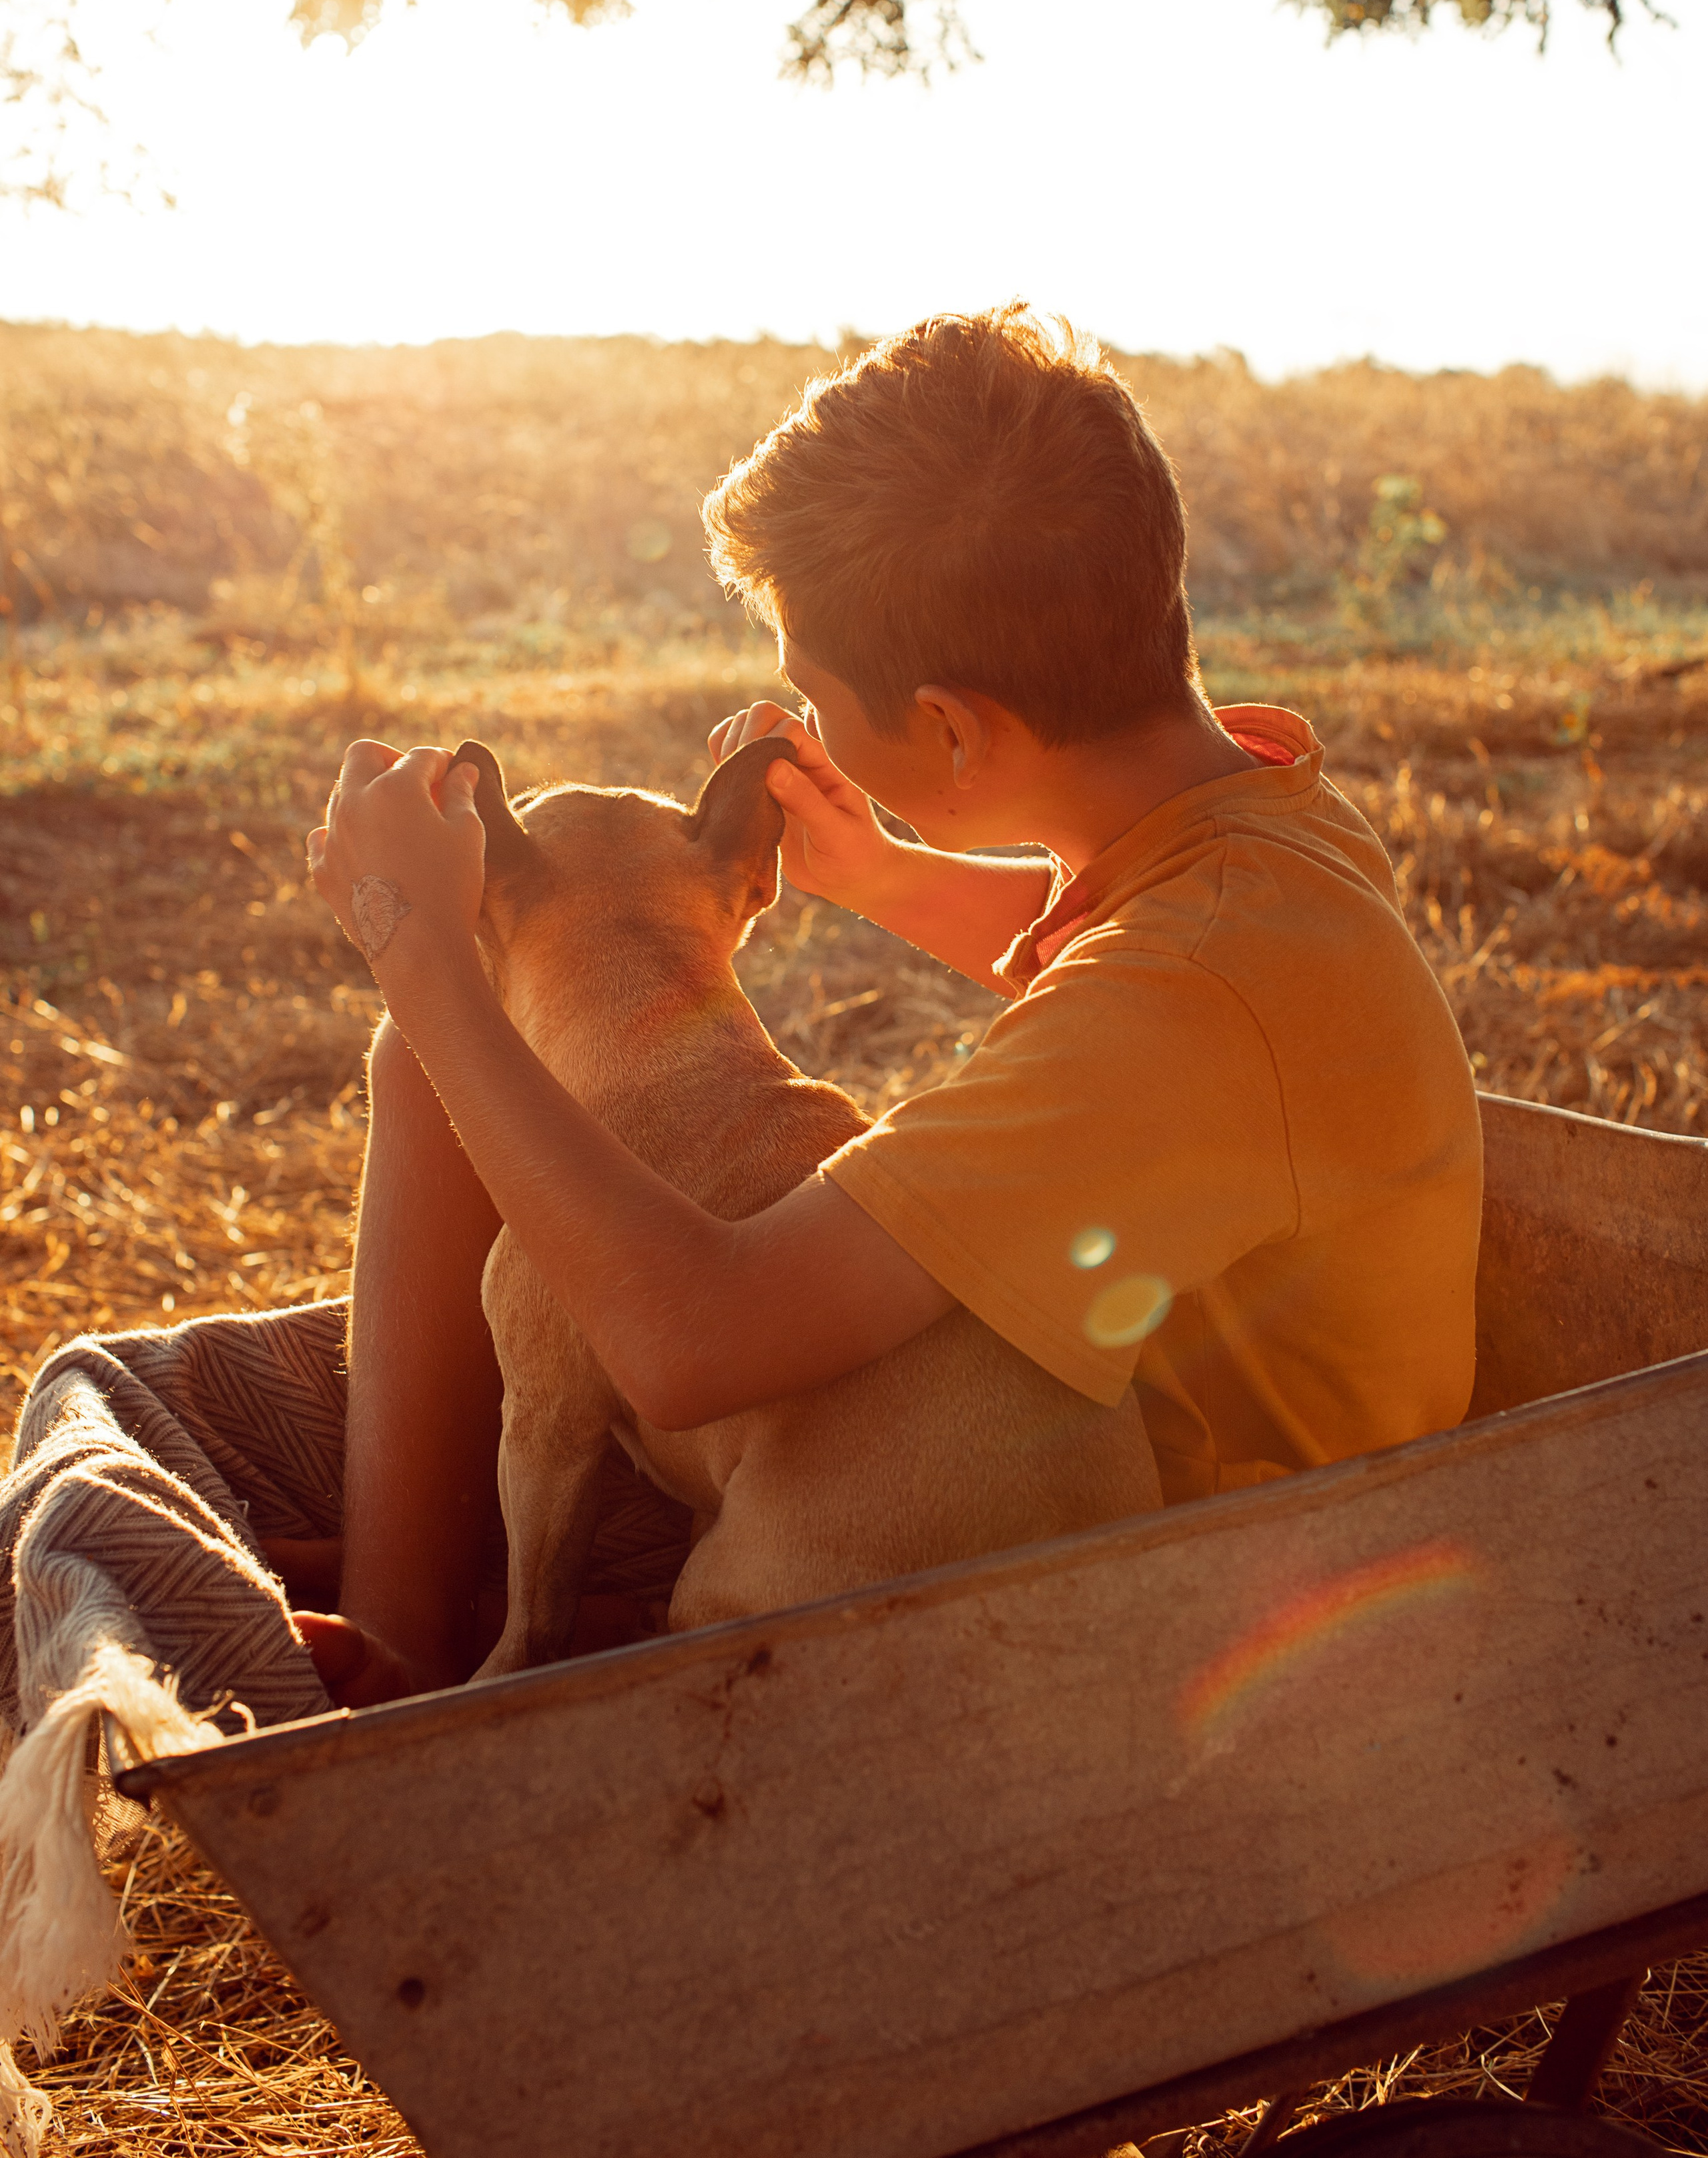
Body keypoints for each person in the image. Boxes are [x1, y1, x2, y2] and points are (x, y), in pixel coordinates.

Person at [302, 306, 1482, 1706]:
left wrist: (415, 947)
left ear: (949, 729)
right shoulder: (1256, 836)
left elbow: (693, 1345)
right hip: (1071, 1419)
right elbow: (1145, 967)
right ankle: (410, 1623)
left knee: (444, 1042)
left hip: (1177, 1595)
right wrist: (877, 869)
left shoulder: (1172, 1008)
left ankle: (419, 1670)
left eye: (810, 686)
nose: (791, 707)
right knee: (436, 1067)